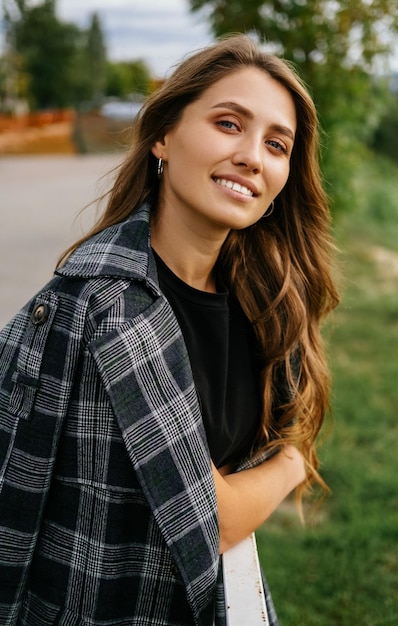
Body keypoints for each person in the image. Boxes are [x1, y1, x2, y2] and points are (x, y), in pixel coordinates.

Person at [0, 34, 339, 625]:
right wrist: (290, 463)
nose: (253, 157)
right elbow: (213, 519)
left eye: (276, 144)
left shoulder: (259, 297)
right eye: (229, 124)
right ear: (163, 136)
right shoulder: (110, 307)